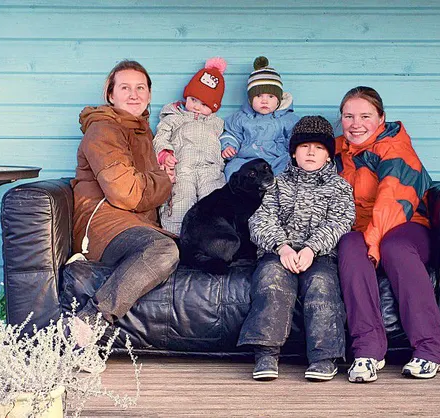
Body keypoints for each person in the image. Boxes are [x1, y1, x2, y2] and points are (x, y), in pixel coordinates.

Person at [335, 86, 440, 383]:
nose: (356, 123)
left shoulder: (394, 146)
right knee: (348, 245)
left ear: (381, 118)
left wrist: (372, 245)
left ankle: (431, 349)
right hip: (360, 228)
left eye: (365, 116)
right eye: (348, 116)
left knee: (394, 247)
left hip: (407, 224)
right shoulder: (336, 150)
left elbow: (392, 203)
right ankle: (368, 351)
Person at [237, 115, 356, 382]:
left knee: (322, 285)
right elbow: (260, 219)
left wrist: (312, 248)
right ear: (293, 152)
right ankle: (266, 354)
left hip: (320, 255)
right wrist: (282, 247)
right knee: (271, 280)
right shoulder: (277, 184)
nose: (311, 152)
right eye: (304, 146)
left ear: (328, 156)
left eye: (319, 147)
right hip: (280, 252)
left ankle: (324, 356)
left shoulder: (339, 187)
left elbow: (341, 222)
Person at [70, 60, 179, 346]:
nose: (134, 94)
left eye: (140, 88)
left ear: (150, 95)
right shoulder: (103, 129)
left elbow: (141, 188)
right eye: (125, 87)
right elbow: (125, 192)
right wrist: (164, 182)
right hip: (104, 224)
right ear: (110, 95)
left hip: (132, 223)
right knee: (162, 249)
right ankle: (90, 319)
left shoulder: (142, 131)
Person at [153, 57, 228, 235]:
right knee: (181, 200)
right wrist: (164, 154)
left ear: (214, 108)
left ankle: (212, 240)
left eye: (204, 105)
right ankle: (176, 239)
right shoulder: (174, 117)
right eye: (193, 100)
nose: (197, 107)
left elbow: (226, 139)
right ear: (187, 96)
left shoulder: (216, 123)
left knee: (214, 201)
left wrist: (226, 150)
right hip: (182, 167)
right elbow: (160, 136)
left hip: (210, 169)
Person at [219, 56, 299, 179]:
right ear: (250, 100)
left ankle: (276, 192)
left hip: (276, 159)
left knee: (288, 167)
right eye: (259, 96)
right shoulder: (241, 118)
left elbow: (295, 139)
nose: (264, 101)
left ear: (279, 99)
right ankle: (241, 195)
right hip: (247, 160)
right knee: (233, 169)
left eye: (271, 96)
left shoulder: (287, 119)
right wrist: (229, 146)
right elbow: (232, 133)